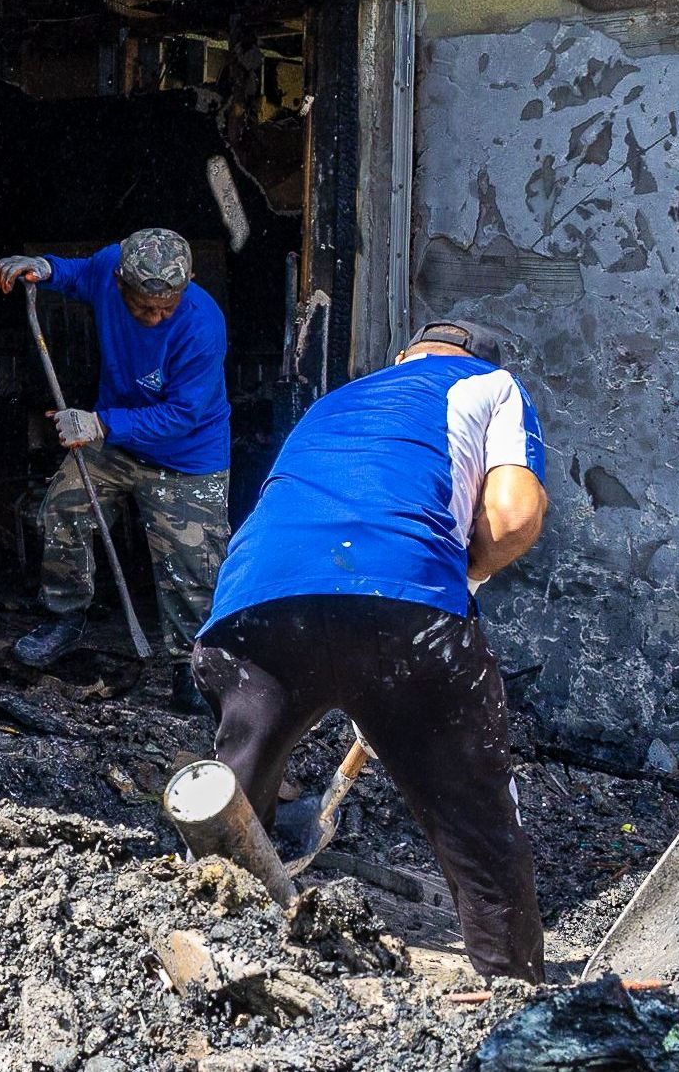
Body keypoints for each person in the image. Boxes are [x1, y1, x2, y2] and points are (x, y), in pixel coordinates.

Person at [192, 318, 549, 981]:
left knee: (235, 796)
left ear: (404, 356)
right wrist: (456, 580)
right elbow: (512, 515)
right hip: (399, 601)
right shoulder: (491, 384)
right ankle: (513, 988)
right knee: (472, 808)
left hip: (250, 603)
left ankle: (220, 950)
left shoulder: (336, 401)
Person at [0, 229, 231, 712]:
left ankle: (192, 665)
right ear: (121, 282)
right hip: (115, 443)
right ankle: (64, 615)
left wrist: (98, 422)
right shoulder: (107, 268)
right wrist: (45, 265)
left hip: (187, 459)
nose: (157, 316)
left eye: (168, 306)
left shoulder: (202, 325)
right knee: (62, 509)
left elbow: (182, 415)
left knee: (194, 568)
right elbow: (78, 274)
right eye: (146, 307)